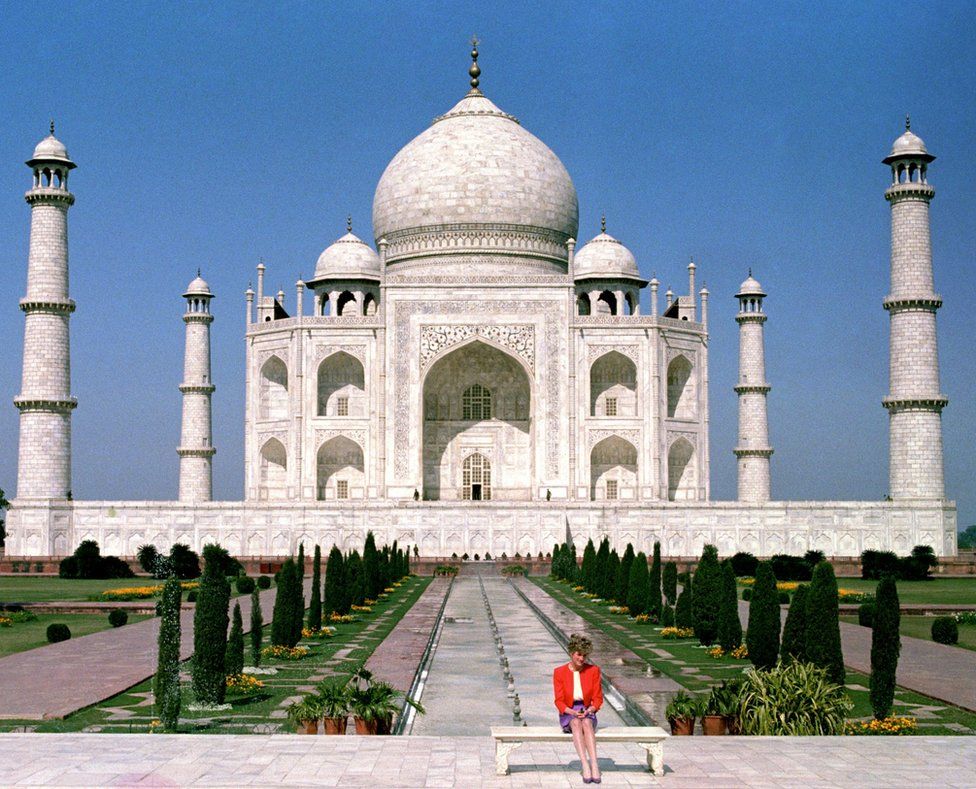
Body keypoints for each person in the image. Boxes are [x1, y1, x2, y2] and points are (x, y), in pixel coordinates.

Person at [553, 633, 603, 783]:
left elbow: (598, 699)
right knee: (575, 723)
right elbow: (559, 701)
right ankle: (585, 765)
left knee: (586, 722)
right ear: (571, 653)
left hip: (587, 709)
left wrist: (590, 710)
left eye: (585, 656)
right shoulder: (559, 672)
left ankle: (594, 764)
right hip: (569, 711)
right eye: (579, 654)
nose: (582, 659)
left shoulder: (593, 670)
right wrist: (572, 712)